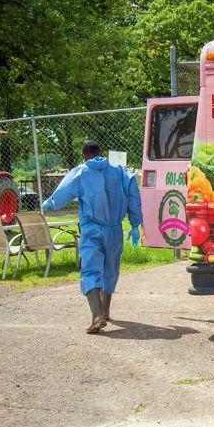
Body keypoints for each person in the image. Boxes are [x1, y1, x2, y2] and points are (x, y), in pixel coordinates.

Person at [41, 141, 143, 334]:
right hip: (114, 230)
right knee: (111, 270)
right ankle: (105, 312)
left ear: (83, 156)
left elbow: (63, 193)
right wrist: (135, 224)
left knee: (90, 270)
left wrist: (50, 203)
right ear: (100, 153)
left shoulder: (81, 172)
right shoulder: (121, 172)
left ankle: (96, 315)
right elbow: (133, 197)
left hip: (91, 230)